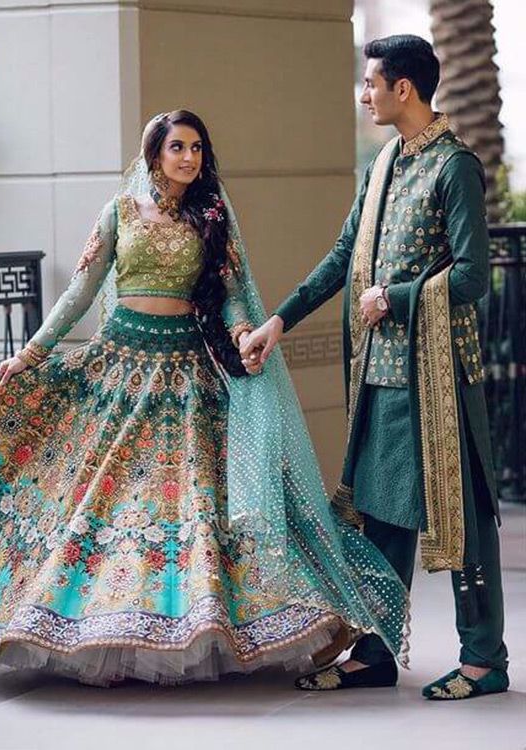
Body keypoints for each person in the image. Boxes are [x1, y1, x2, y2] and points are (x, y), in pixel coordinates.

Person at [0, 110, 409, 687]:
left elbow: (230, 297)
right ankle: (91, 627)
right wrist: (29, 354)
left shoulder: (211, 217)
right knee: (99, 503)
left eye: (197, 147)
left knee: (190, 508)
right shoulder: (120, 213)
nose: (189, 157)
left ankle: (203, 628)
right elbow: (79, 293)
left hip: (188, 379)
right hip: (119, 372)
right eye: (177, 146)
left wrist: (238, 334)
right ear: (153, 153)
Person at [241, 36, 509, 700]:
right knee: (381, 517)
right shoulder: (386, 163)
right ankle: (377, 651)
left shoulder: (455, 168)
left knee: (464, 522)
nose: (363, 95)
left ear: (403, 90)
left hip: (441, 380)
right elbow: (342, 255)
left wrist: (396, 297)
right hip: (382, 378)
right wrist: (280, 320)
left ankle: (484, 660)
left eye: (369, 84)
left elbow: (474, 278)